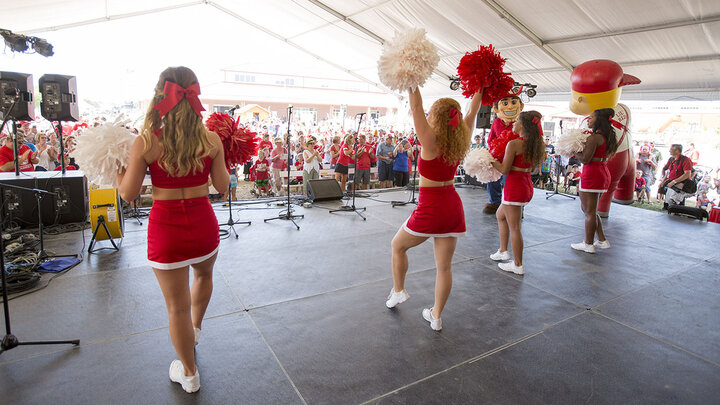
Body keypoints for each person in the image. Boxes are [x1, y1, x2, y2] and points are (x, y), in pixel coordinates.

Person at [117, 66, 229, 394]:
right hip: (204, 225)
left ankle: (190, 374)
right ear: (194, 96)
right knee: (204, 277)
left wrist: (120, 171)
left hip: (166, 229)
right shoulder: (212, 139)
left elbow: (128, 194)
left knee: (175, 306)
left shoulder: (147, 142)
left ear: (160, 95)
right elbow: (222, 187)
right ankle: (194, 330)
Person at [385, 86, 482, 331]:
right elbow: (473, 110)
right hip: (452, 206)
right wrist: (481, 87)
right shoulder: (462, 138)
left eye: (430, 114)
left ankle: (398, 291)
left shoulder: (429, 140)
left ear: (436, 117)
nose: (425, 116)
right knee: (445, 267)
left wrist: (412, 83)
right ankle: (436, 316)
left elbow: (415, 107)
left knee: (398, 246)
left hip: (431, 206)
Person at [489, 111, 545, 275]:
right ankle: (503, 250)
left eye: (516, 121)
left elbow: (504, 169)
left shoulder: (514, 144)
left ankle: (518, 264)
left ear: (523, 125)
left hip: (514, 187)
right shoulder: (536, 144)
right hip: (525, 185)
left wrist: (489, 160)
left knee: (515, 227)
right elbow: (533, 167)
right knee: (500, 215)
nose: (513, 123)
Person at [571, 108, 618, 253]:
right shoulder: (607, 136)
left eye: (591, 117)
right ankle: (602, 240)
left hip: (592, 174)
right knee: (590, 210)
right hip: (602, 173)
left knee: (589, 212)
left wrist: (574, 151)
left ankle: (588, 243)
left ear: (599, 120)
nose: (589, 120)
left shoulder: (594, 138)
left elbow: (585, 159)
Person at [484, 94, 524, 214]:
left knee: (510, 184)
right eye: (505, 103)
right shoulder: (496, 122)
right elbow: (490, 139)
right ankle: (495, 203)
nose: (510, 107)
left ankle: (514, 208)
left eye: (513, 103)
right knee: (492, 180)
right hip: (497, 157)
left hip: (514, 159)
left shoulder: (520, 123)